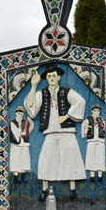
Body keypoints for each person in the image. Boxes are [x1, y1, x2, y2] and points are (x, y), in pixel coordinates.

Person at [24, 64, 86, 201]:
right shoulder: (42, 93)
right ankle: (45, 189)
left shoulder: (66, 91)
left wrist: (67, 116)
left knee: (71, 158)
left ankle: (72, 189)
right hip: (50, 131)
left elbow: (80, 101)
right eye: (49, 76)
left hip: (67, 130)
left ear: (59, 77)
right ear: (46, 78)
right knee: (46, 159)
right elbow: (30, 106)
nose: (51, 78)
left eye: (54, 75)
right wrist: (33, 87)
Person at [9, 106, 34, 183]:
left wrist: (30, 121)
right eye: (18, 113)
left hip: (24, 143)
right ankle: (16, 178)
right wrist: (20, 133)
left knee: (24, 159)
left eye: (21, 113)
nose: (19, 115)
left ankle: (23, 177)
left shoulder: (25, 122)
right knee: (16, 160)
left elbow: (30, 128)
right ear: (16, 113)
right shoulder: (12, 122)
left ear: (23, 114)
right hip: (16, 143)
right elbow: (14, 131)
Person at [81, 104, 105, 182]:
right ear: (92, 111)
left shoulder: (101, 119)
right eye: (94, 110)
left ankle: (100, 175)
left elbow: (103, 127)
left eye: (98, 110)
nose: (96, 112)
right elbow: (84, 126)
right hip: (91, 140)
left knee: (100, 157)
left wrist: (100, 123)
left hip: (100, 140)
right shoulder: (88, 119)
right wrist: (87, 127)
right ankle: (92, 175)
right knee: (91, 157)